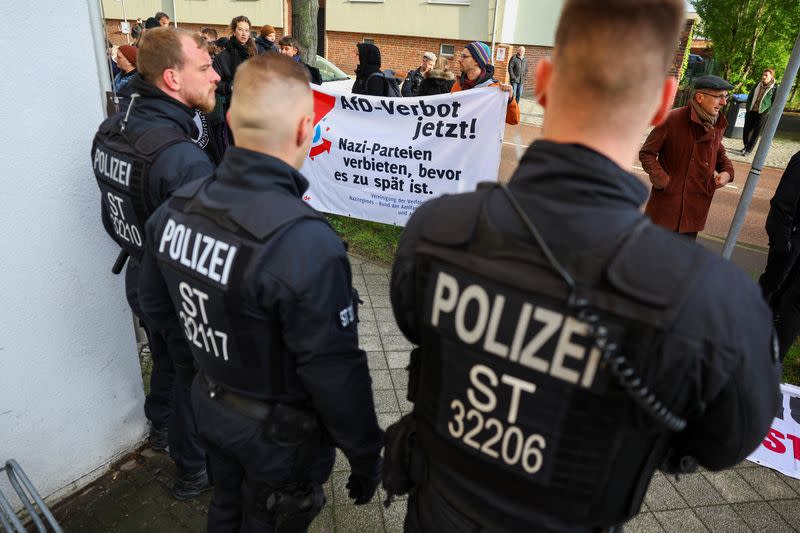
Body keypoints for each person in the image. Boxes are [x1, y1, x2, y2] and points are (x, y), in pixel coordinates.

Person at [383, 1, 780, 531]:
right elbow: (725, 438)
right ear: (664, 101)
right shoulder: (714, 302)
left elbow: (416, 325)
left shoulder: (438, 230)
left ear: (543, 80)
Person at [138, 53, 384, 532]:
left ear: (229, 120)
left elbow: (156, 309)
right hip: (281, 442)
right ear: (305, 129)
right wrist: (366, 454)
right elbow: (336, 373)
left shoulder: (173, 211)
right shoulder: (306, 243)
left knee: (226, 504)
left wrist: (208, 367)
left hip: (210, 406)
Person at [90, 27, 220, 500]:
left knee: (165, 357)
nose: (216, 77)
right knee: (191, 376)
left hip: (139, 275)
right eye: (204, 68)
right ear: (171, 78)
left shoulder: (113, 126)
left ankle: (160, 427)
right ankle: (191, 470)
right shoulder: (181, 159)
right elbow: (204, 255)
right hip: (171, 288)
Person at [639, 75, 735, 239]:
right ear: (700, 97)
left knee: (680, 262)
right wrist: (663, 180)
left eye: (726, 97)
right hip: (667, 208)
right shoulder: (672, 119)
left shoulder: (717, 124)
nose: (724, 102)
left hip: (695, 209)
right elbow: (647, 153)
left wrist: (727, 172)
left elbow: (719, 154)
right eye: (719, 97)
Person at [760, 150, 800, 359]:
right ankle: (769, 359)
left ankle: (765, 356)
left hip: (791, 241)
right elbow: (783, 204)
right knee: (778, 294)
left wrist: (782, 242)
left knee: (776, 293)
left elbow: (782, 204)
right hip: (790, 239)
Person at [213, 15, 260, 150]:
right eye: (240, 29)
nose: (244, 33)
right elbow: (214, 82)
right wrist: (229, 86)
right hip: (232, 107)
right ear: (234, 31)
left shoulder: (253, 52)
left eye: (246, 30)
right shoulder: (223, 56)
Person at [452, 41, 520, 125]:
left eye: (464, 56)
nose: (459, 60)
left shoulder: (494, 88)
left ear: (477, 61)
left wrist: (509, 100)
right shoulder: (457, 85)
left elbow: (514, 120)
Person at [742, 68, 779, 155]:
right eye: (763, 74)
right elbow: (750, 97)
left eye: (766, 75)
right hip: (751, 111)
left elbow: (774, 101)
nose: (763, 77)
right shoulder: (757, 85)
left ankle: (748, 150)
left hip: (762, 113)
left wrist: (767, 111)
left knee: (756, 132)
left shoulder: (774, 88)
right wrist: (748, 107)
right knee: (746, 130)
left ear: (771, 77)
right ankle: (746, 146)